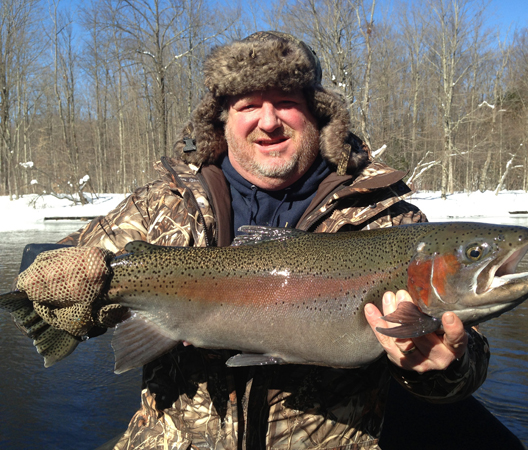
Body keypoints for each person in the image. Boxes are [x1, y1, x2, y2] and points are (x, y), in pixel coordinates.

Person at [18, 32, 489, 449]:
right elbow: (58, 268)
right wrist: (59, 284)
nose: (268, 122)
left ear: (318, 117)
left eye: (286, 102)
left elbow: (465, 372)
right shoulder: (161, 204)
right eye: (248, 106)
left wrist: (447, 365)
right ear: (223, 122)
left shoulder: (389, 221)